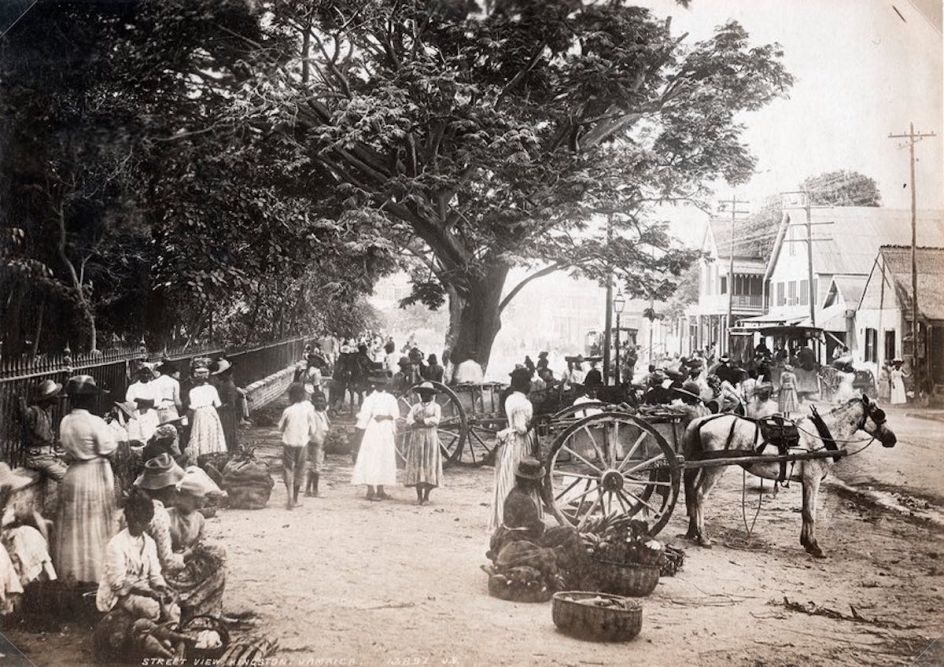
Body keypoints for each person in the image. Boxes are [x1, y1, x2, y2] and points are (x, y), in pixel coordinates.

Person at [55, 375, 119, 586]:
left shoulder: (65, 421)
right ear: (89, 400)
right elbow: (108, 448)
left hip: (74, 474)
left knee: (75, 525)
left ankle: (74, 573)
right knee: (95, 522)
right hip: (94, 474)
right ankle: (96, 572)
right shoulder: (94, 421)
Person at [97, 487, 179, 624]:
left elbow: (155, 574)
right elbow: (117, 583)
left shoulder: (150, 543)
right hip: (121, 594)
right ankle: (149, 636)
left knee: (173, 608)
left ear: (148, 521)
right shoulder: (116, 544)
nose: (138, 525)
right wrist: (146, 592)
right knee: (151, 608)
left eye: (143, 521)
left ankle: (168, 638)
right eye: (135, 520)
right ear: (128, 518)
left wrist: (162, 587)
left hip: (144, 590)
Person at [166, 466, 227, 620]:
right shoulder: (167, 517)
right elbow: (164, 556)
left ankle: (207, 610)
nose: (199, 503)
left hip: (191, 566)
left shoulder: (199, 518)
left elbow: (200, 543)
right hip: (172, 570)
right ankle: (185, 607)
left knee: (219, 562)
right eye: (194, 500)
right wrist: (187, 553)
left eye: (199, 500)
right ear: (184, 497)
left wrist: (198, 551)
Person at [489, 369, 537, 532]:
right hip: (521, 442)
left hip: (511, 441)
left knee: (509, 474)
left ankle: (506, 513)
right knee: (522, 475)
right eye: (529, 381)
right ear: (524, 384)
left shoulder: (510, 399)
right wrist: (535, 422)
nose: (531, 384)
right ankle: (522, 514)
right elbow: (522, 429)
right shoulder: (524, 403)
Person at [134, 454, 186, 576]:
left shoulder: (134, 506)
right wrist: (187, 554)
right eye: (174, 487)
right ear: (167, 489)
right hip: (147, 575)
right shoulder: (159, 516)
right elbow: (168, 563)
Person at [351, 373, 399, 501]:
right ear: (374, 384)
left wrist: (385, 417)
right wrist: (359, 432)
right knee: (372, 458)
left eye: (382, 383)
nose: (380, 386)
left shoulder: (390, 398)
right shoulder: (370, 399)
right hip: (374, 430)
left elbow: (395, 414)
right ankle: (371, 491)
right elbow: (363, 417)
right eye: (378, 383)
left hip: (386, 430)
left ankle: (381, 489)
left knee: (384, 457)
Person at [17, 379, 67, 482]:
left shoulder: (46, 411)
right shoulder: (34, 412)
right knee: (68, 479)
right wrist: (20, 398)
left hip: (47, 456)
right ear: (48, 398)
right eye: (55, 394)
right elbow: (24, 415)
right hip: (37, 458)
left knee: (73, 472)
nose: (58, 396)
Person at [279, 383, 317, 509]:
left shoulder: (288, 411)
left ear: (291, 397)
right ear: (303, 396)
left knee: (288, 468)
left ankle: (289, 496)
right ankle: (295, 498)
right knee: (300, 469)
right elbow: (312, 429)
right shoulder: (308, 410)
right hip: (302, 443)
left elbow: (281, 427)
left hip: (289, 442)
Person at [404, 383, 443, 505]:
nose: (425, 395)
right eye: (423, 393)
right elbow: (409, 418)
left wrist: (424, 421)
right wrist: (413, 423)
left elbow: (436, 420)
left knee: (429, 464)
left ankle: (426, 496)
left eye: (427, 393)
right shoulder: (415, 407)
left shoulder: (436, 407)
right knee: (418, 464)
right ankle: (419, 496)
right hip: (417, 438)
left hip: (430, 437)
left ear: (432, 395)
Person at [186, 361, 227, 461]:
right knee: (213, 433)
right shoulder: (212, 388)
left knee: (201, 434)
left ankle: (202, 456)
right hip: (211, 412)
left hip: (200, 414)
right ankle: (214, 454)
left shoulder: (193, 391)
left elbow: (193, 407)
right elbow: (218, 404)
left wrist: (186, 418)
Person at [212, 360, 239, 453]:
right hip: (224, 413)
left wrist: (218, 407)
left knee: (228, 433)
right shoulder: (224, 384)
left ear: (226, 374)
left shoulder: (229, 386)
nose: (219, 376)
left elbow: (231, 404)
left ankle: (231, 451)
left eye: (221, 374)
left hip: (227, 414)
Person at [306, 392, 330, 498]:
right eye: (317, 401)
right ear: (313, 402)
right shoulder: (312, 414)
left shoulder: (324, 413)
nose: (320, 403)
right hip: (315, 442)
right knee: (316, 466)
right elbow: (310, 430)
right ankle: (314, 490)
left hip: (322, 441)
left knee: (315, 466)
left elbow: (327, 426)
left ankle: (308, 489)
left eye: (322, 401)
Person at [126, 367, 159, 444]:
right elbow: (130, 402)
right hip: (136, 415)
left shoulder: (154, 386)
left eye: (148, 373)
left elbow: (157, 402)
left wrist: (138, 400)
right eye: (144, 373)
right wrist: (149, 402)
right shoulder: (133, 387)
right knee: (136, 438)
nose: (146, 375)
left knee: (151, 436)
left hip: (150, 415)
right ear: (139, 374)